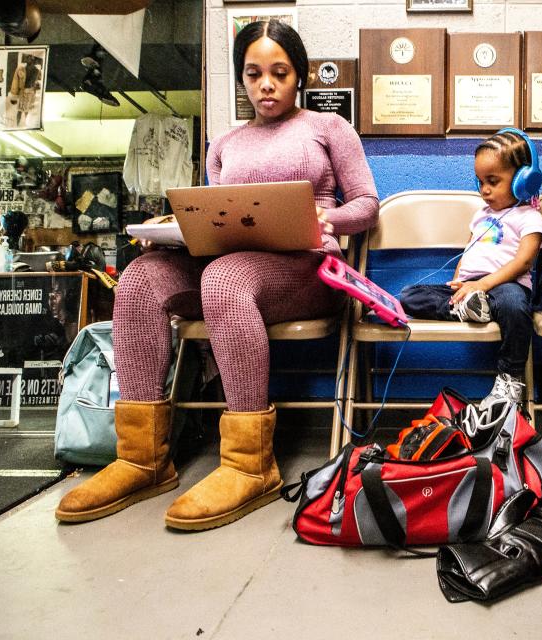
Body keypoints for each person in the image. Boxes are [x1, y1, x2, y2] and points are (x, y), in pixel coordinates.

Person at [56, 20, 379, 530]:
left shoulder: (327, 128)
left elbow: (366, 205)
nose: (266, 85)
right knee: (141, 279)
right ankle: (143, 458)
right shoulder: (225, 143)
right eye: (254, 74)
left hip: (306, 269)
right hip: (228, 262)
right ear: (242, 79)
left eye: (279, 73)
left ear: (299, 76)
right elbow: (220, 213)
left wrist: (327, 218)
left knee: (224, 279)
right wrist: (176, 228)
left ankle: (251, 466)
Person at [399, 129, 542, 410]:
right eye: (480, 182)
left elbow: (524, 262)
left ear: (522, 181)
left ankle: (509, 378)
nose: (485, 190)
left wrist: (484, 285)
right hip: (471, 289)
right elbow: (468, 252)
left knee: (516, 306)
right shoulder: (481, 215)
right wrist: (459, 283)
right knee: (409, 294)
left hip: (505, 286)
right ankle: (465, 307)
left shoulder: (530, 217)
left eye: (493, 181)